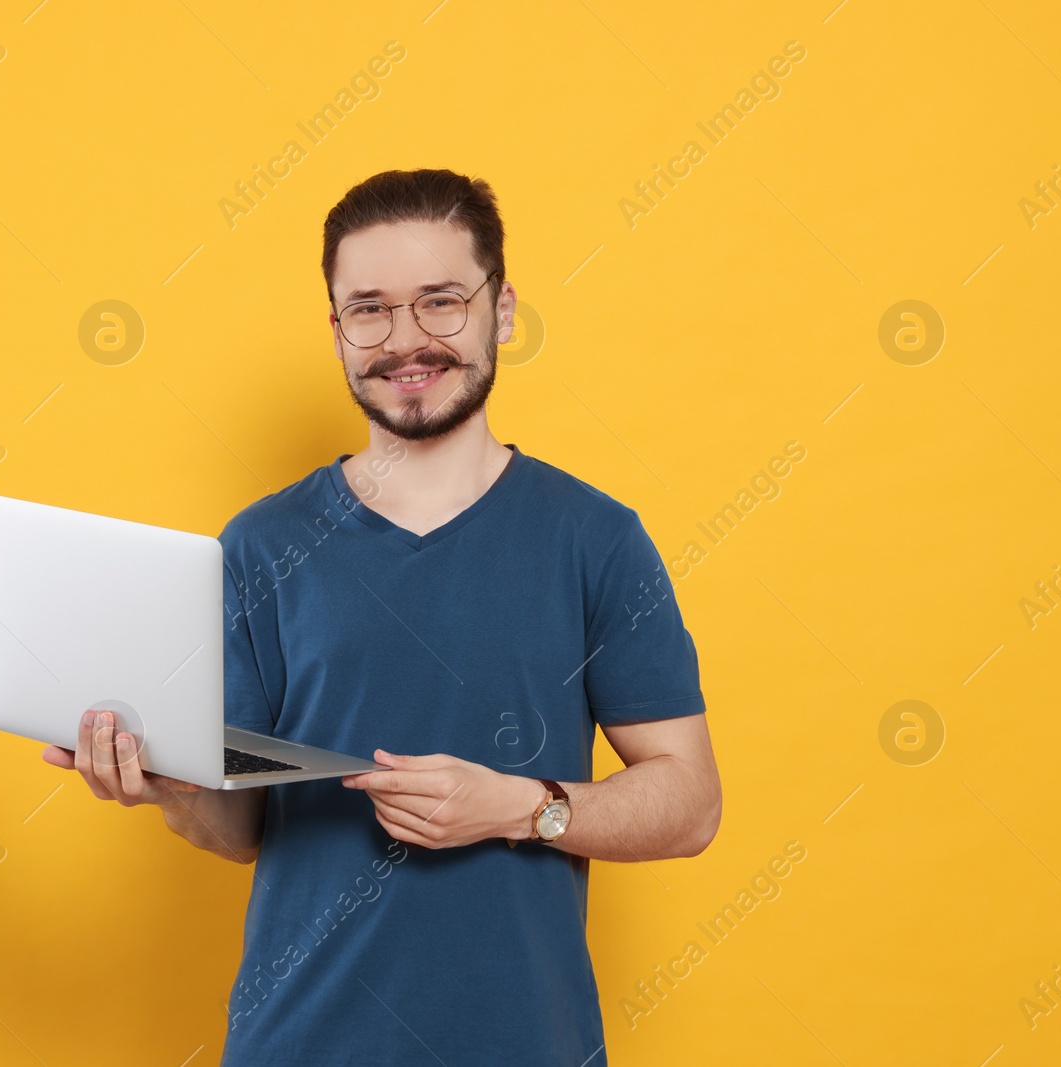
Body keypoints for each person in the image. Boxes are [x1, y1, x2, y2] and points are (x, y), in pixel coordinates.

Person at [42, 168, 721, 1065]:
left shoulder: (596, 539)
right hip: (298, 1042)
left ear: (502, 309)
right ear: (336, 329)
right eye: (369, 309)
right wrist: (170, 788)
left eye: (440, 302)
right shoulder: (257, 545)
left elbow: (691, 803)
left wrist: (520, 807)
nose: (406, 341)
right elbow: (241, 833)